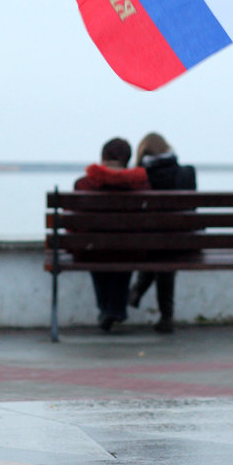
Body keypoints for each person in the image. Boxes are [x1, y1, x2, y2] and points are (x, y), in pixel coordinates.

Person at [74, 137, 151, 331]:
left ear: (103, 157)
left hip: (92, 249)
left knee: (96, 248)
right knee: (124, 250)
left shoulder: (83, 184)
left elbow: (76, 224)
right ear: (127, 160)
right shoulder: (140, 185)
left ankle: (108, 309)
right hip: (130, 249)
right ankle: (114, 309)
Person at [128, 132, 196, 333]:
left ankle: (137, 291)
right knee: (166, 250)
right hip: (183, 242)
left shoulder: (140, 177)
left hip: (151, 244)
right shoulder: (187, 173)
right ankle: (166, 316)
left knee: (158, 248)